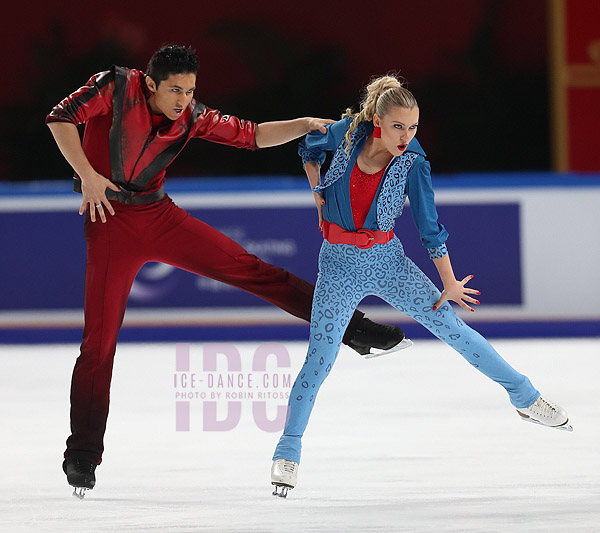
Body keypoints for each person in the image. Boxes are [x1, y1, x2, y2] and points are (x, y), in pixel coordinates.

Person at [45, 45, 410, 498]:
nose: (183, 99)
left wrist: (303, 125)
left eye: (191, 89)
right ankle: (82, 453)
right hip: (109, 224)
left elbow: (252, 135)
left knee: (251, 269)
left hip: (159, 216)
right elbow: (60, 118)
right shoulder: (115, 86)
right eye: (175, 89)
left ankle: (352, 328)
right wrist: (88, 174)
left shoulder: (192, 116)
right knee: (98, 343)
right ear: (152, 83)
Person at [270, 75, 572, 498]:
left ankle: (524, 396)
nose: (406, 136)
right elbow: (308, 146)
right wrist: (315, 188)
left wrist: (448, 282)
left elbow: (429, 226)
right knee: (319, 360)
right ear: (377, 120)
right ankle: (288, 450)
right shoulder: (345, 133)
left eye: (413, 128)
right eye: (398, 127)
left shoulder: (413, 160)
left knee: (453, 328)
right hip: (337, 264)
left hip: (388, 261)